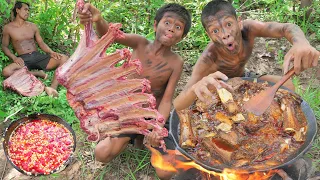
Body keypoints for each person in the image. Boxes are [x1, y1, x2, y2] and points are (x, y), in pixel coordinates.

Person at [78, 3, 191, 180]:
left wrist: (157, 127)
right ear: (155, 25)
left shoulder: (176, 62)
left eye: (178, 27)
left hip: (152, 114)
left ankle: (146, 139)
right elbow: (110, 35)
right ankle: (131, 135)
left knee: (165, 172)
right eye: (167, 23)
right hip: (127, 111)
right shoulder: (139, 43)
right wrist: (98, 19)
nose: (171, 29)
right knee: (102, 153)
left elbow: (167, 99)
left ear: (182, 37)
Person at [173, 0, 319, 111]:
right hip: (221, 89)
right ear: (209, 35)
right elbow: (178, 104)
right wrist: (197, 86)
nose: (225, 34)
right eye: (215, 31)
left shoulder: (248, 29)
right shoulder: (208, 58)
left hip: (245, 78)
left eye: (228, 24)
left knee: (287, 85)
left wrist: (301, 43)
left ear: (239, 22)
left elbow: (286, 28)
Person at [1, 1, 69, 97]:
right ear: (17, 10)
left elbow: (41, 43)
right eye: (25, 9)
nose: (28, 12)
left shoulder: (32, 26)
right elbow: (4, 46)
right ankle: (37, 73)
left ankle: (53, 88)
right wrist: (14, 57)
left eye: (29, 10)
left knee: (64, 58)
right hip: (23, 59)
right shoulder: (8, 28)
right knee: (6, 71)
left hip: (37, 56)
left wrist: (51, 52)